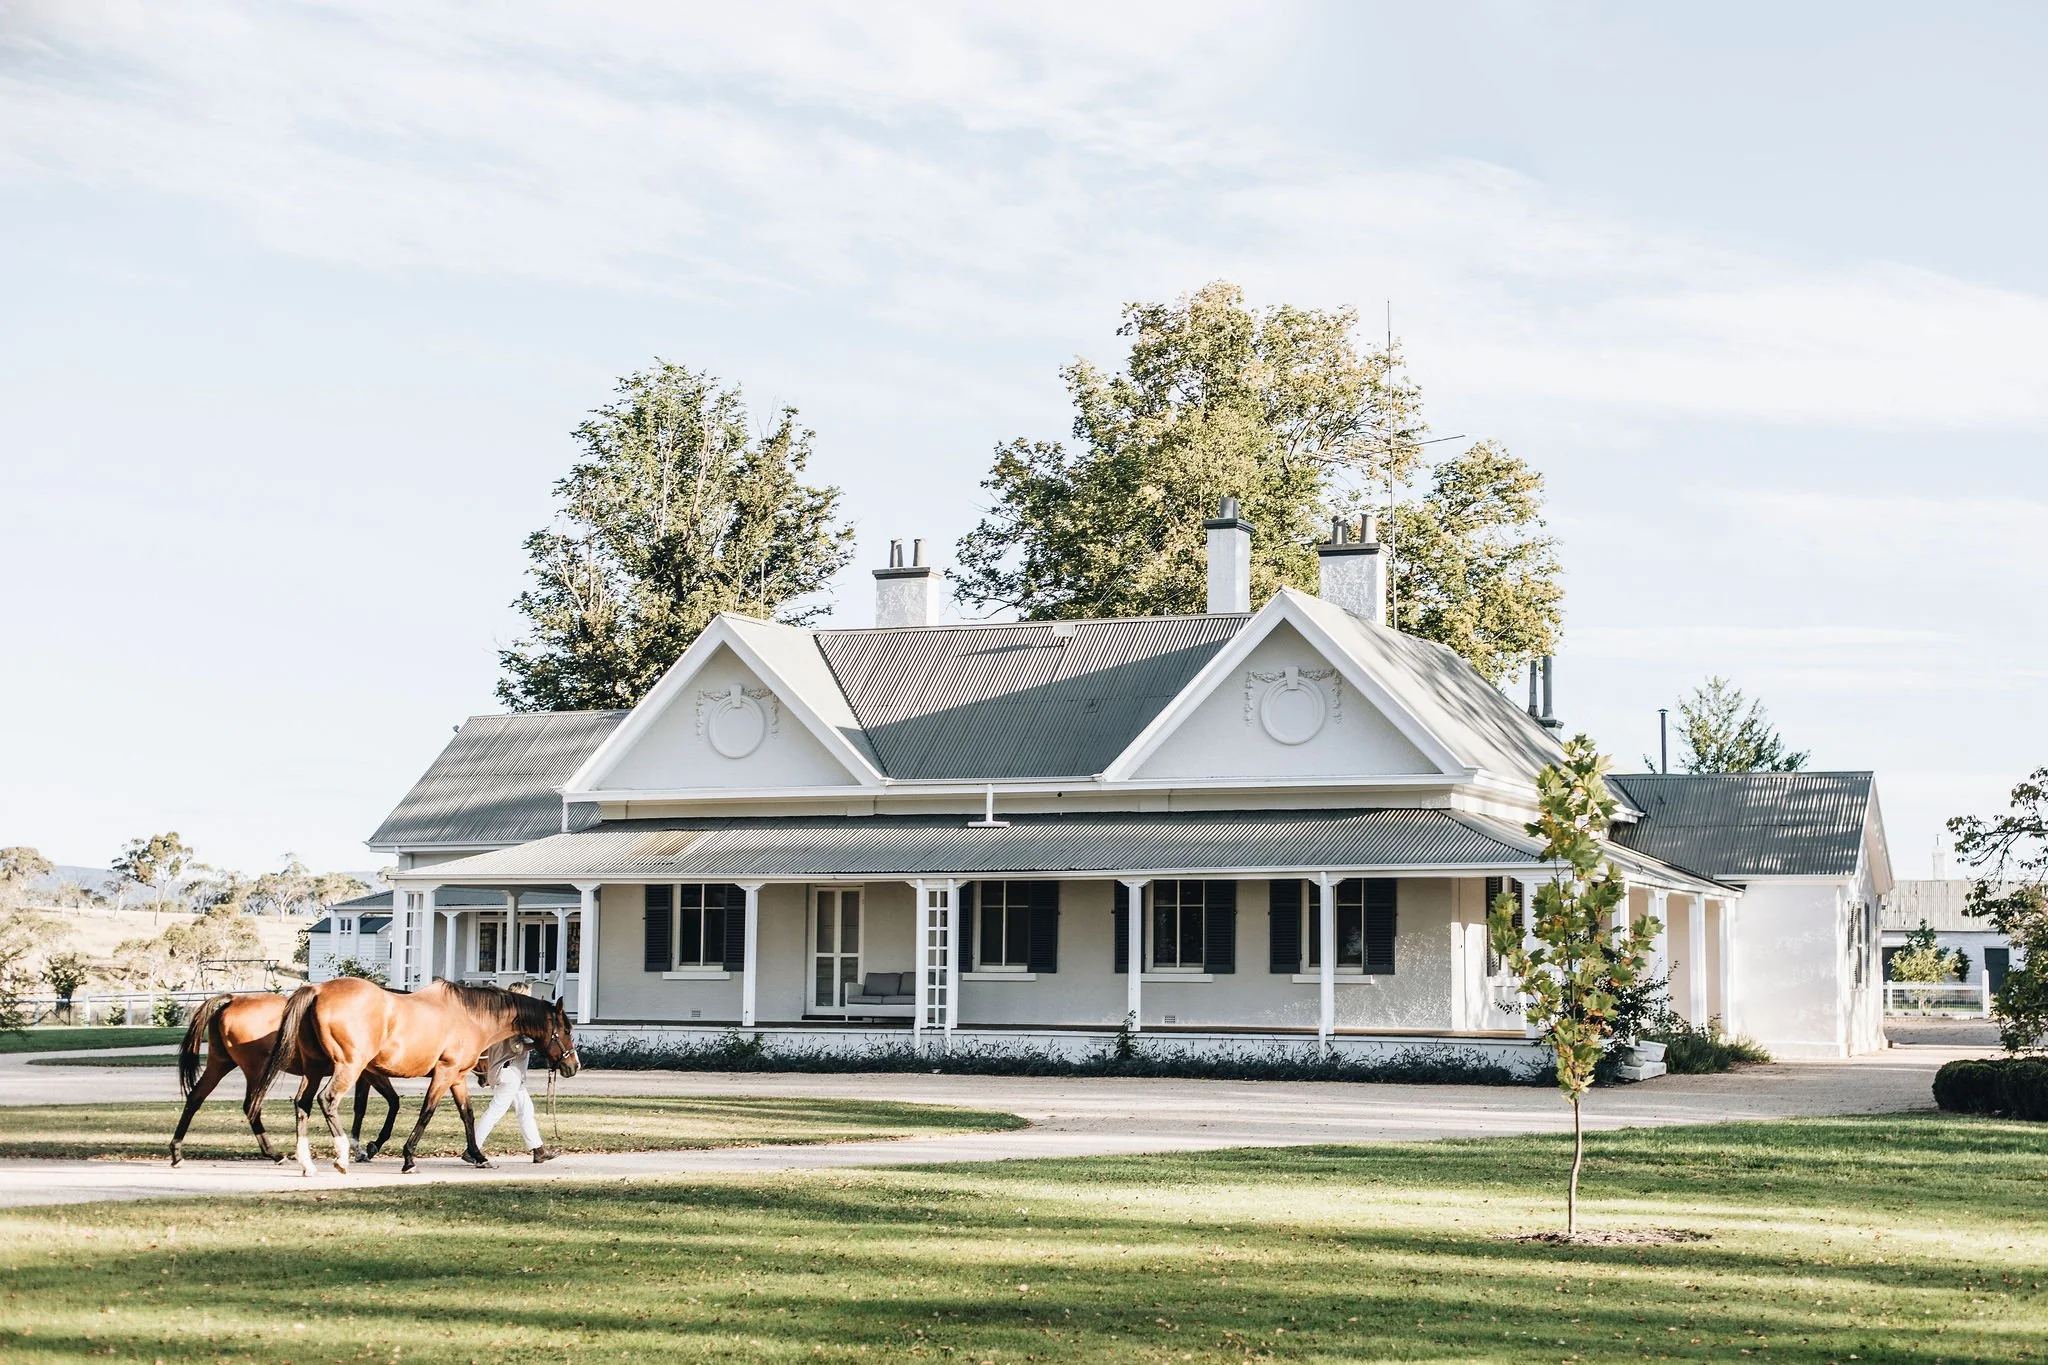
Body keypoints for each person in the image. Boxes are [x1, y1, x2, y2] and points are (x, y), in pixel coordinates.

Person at [471, 981, 558, 1164]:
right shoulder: (512, 1019)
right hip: (509, 1071)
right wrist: (537, 1045)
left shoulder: (507, 1016)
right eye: (527, 995)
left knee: (525, 1110)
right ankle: (473, 1148)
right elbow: (515, 1046)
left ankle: (538, 1150)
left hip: (512, 1073)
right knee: (495, 1111)